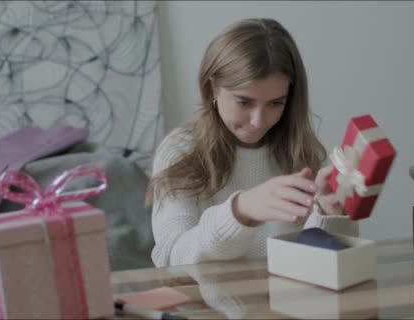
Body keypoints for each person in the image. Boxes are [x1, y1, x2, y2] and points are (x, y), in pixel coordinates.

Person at [146, 18, 358, 267]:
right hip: (206, 305)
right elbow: (170, 258)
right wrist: (240, 211)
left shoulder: (302, 150)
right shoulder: (181, 150)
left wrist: (328, 213)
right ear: (212, 88)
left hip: (288, 301)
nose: (259, 121)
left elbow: (330, 264)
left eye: (275, 103)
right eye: (244, 102)